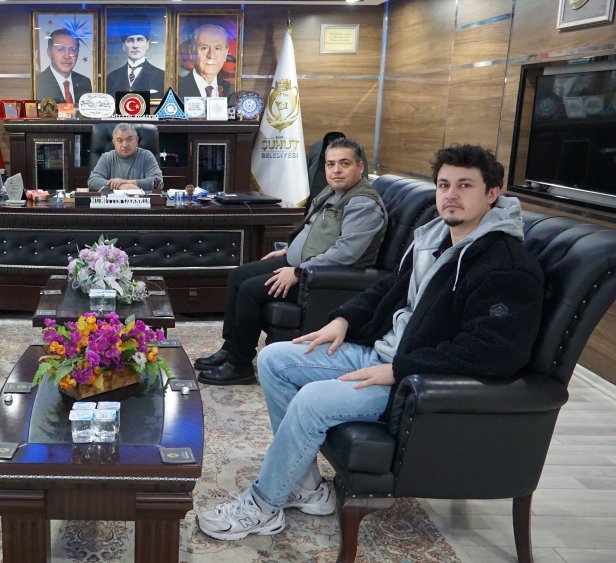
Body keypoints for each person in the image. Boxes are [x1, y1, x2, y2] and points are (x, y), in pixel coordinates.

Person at [195, 144, 545, 541]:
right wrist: (343, 319)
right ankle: (306, 488)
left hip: (412, 381)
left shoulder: (506, 265)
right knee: (275, 359)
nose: (451, 194)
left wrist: (399, 370)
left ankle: (263, 506)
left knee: (312, 400)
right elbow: (390, 288)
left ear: (492, 194)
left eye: (465, 185)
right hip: (382, 353)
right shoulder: (434, 239)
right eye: (444, 184)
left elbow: (497, 351)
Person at [196, 138, 387, 385]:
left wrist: (298, 271)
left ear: (360, 167)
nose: (336, 170)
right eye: (330, 164)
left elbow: (346, 253)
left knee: (251, 290)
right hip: (301, 263)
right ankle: (230, 348)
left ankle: (239, 365)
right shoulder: (334, 192)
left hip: (323, 279)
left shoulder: (363, 203)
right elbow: (314, 230)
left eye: (344, 163)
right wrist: (288, 250)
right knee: (239, 275)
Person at [87, 122, 163, 191]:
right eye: (120, 140)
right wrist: (120, 186)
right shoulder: (107, 157)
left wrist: (128, 183)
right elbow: (92, 181)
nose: (125, 145)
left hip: (141, 201)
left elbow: (158, 182)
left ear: (137, 140)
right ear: (114, 142)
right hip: (113, 201)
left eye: (129, 139)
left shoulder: (146, 156)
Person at [105, 23, 165, 96]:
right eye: (130, 40)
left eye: (140, 40)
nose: (135, 46)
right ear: (123, 46)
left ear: (147, 44)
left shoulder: (161, 76)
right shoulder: (112, 77)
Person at [35, 28, 93, 104]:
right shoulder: (38, 82)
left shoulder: (84, 82)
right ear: (49, 52)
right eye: (60, 49)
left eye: (72, 50)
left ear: (78, 53)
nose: (67, 56)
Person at [178, 24, 235, 99]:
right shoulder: (177, 89)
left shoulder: (232, 91)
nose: (211, 55)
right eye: (204, 48)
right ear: (191, 52)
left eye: (217, 48)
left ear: (225, 53)